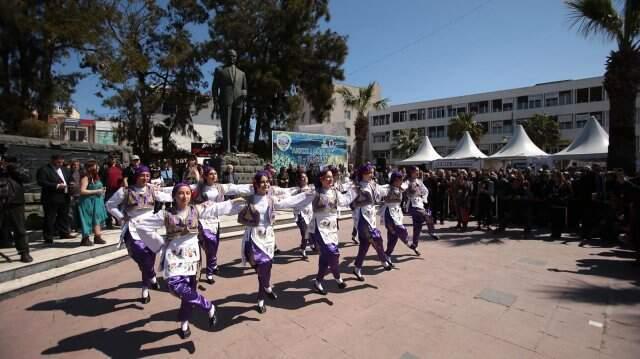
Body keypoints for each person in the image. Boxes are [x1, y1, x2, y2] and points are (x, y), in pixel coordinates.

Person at [130, 182, 246, 339]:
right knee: (174, 284)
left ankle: (184, 324)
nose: (184, 196)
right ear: (174, 196)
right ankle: (208, 306)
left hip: (192, 257)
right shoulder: (165, 214)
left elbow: (217, 208)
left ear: (191, 196)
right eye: (180, 193)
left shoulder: (196, 210)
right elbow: (142, 227)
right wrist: (160, 245)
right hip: (174, 255)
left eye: (187, 193)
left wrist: (238, 203)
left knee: (189, 292)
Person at [237, 171, 314, 313]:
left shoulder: (271, 200)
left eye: (268, 181)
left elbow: (289, 202)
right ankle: (267, 287)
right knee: (260, 268)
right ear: (256, 184)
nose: (266, 184)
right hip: (253, 238)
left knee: (266, 268)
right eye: (262, 182)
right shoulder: (249, 200)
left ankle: (261, 299)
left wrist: (310, 194)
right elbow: (227, 205)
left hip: (268, 239)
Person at [106, 165, 173, 304]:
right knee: (141, 256)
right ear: (136, 176)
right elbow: (110, 204)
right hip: (133, 227)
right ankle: (151, 275)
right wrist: (121, 217)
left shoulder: (152, 189)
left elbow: (168, 196)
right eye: (142, 175)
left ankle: (145, 289)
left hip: (150, 226)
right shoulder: (125, 191)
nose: (145, 178)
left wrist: (185, 193)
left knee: (150, 256)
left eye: (147, 175)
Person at [192, 166, 253, 283]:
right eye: (210, 174)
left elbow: (235, 188)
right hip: (203, 220)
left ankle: (213, 265)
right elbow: (182, 189)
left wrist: (253, 187)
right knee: (209, 245)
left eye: (215, 173)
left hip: (215, 219)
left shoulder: (220, 187)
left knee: (214, 246)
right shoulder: (199, 187)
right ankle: (209, 273)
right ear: (205, 176)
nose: (214, 176)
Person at [303, 168, 352, 295]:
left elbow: (345, 200)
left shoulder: (335, 192)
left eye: (331, 177)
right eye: (327, 177)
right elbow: (296, 199)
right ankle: (338, 278)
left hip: (332, 229)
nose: (331, 179)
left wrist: (357, 190)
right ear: (321, 179)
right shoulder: (315, 193)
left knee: (325, 258)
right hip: (320, 228)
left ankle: (317, 282)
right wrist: (277, 202)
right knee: (333, 253)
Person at [351, 164, 393, 281]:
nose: (371, 175)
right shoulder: (357, 186)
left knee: (364, 246)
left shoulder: (373, 184)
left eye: (372, 172)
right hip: (362, 218)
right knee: (376, 238)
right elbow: (349, 200)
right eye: (369, 173)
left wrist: (394, 186)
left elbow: (382, 190)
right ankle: (384, 260)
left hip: (371, 217)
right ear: (362, 174)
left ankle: (357, 268)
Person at [212, 49, 247, 153]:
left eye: (234, 56)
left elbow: (245, 88)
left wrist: (244, 92)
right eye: (230, 56)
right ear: (227, 57)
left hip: (238, 101)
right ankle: (226, 147)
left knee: (236, 126)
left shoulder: (242, 73)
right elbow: (214, 87)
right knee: (226, 125)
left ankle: (234, 146)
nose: (232, 58)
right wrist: (216, 102)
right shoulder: (220, 71)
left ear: (236, 58)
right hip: (225, 101)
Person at [37, 154, 75, 244]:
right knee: (50, 218)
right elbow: (41, 182)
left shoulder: (65, 169)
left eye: (62, 162)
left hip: (64, 196)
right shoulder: (44, 170)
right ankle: (48, 236)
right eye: (58, 162)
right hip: (51, 197)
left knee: (64, 216)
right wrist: (57, 186)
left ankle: (64, 232)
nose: (60, 164)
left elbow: (70, 178)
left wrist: (72, 183)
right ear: (52, 160)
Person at [0, 156, 33, 262]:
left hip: (15, 201)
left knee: (19, 228)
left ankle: (24, 252)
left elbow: (27, 177)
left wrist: (11, 167)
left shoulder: (15, 167)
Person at [383, 171, 419, 262]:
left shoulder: (401, 187)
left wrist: (413, 177)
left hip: (397, 213)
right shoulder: (387, 188)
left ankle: (387, 255)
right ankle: (409, 243)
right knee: (400, 229)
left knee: (393, 236)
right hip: (389, 214)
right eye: (399, 180)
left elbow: (407, 183)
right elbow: (376, 189)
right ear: (395, 180)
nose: (401, 181)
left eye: (402, 180)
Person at [405, 166, 439, 248]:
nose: (418, 172)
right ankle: (431, 232)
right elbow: (402, 187)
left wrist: (424, 198)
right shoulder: (407, 182)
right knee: (428, 215)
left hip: (420, 204)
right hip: (413, 205)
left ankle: (414, 244)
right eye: (416, 171)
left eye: (418, 171)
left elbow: (425, 190)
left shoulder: (419, 181)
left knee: (418, 226)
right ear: (411, 172)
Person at [77, 159, 108, 246]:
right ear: (91, 167)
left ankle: (97, 237)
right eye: (96, 166)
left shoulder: (96, 177)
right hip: (87, 201)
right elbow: (82, 191)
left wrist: (102, 191)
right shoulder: (85, 177)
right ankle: (85, 238)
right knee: (87, 219)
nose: (98, 167)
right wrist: (96, 191)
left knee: (97, 219)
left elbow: (98, 188)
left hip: (97, 201)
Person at [290, 172, 314, 259]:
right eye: (302, 177)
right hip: (300, 214)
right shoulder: (296, 190)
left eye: (305, 177)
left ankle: (310, 243)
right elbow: (291, 200)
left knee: (308, 232)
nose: (303, 178)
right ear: (299, 180)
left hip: (310, 213)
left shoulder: (311, 188)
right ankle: (303, 249)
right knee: (305, 232)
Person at [103, 157, 123, 229]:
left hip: (112, 190)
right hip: (116, 190)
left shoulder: (106, 170)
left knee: (109, 206)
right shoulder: (119, 170)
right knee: (117, 206)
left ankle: (110, 223)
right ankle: (118, 221)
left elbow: (104, 180)